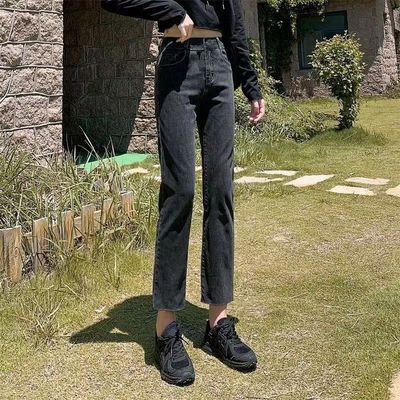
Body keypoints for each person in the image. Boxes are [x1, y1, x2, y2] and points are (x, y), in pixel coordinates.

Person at [101, 0, 265, 386]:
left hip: (220, 65)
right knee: (180, 190)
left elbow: (235, 24)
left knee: (221, 193)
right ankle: (166, 329)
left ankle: (218, 324)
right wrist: (172, 11)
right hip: (178, 61)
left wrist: (251, 83)